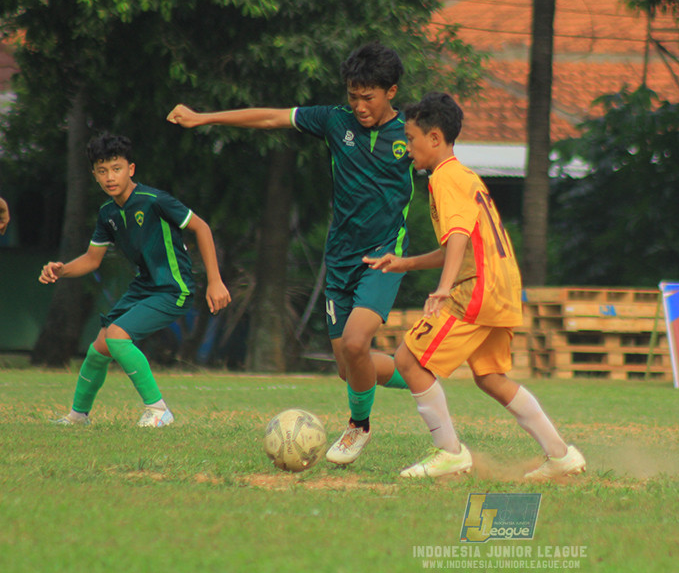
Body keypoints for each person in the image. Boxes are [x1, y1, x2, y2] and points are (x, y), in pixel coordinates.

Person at [166, 42, 412, 465]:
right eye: (352, 96)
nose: (358, 105)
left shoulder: (410, 132)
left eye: (367, 97)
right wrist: (205, 117)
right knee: (348, 366)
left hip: (384, 257)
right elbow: (270, 116)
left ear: (391, 91)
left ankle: (358, 428)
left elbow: (446, 173)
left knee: (356, 344)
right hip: (339, 260)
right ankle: (416, 373)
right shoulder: (336, 122)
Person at [365, 92, 586, 480]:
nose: (407, 148)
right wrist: (407, 263)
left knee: (408, 360)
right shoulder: (465, 175)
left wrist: (445, 288)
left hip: (477, 288)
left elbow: (460, 235)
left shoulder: (445, 178)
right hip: (501, 285)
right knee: (491, 378)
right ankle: (561, 454)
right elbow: (459, 243)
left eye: (412, 139)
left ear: (435, 139)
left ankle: (449, 452)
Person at [40, 133, 231, 427]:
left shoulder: (155, 201)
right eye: (102, 171)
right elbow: (92, 260)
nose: (109, 177)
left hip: (172, 288)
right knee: (100, 345)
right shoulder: (107, 214)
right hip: (144, 288)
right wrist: (60, 269)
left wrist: (215, 281)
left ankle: (158, 411)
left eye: (116, 168)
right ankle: (78, 416)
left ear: (131, 169)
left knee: (117, 335)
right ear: (94, 175)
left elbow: (202, 228)